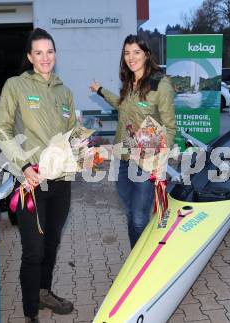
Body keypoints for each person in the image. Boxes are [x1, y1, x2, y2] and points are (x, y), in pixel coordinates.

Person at [0, 28, 75, 323]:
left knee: (52, 243)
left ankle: (44, 292)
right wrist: (25, 166)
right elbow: (0, 130)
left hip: (61, 182)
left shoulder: (65, 91)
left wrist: (84, 148)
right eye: (38, 52)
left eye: (50, 51)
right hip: (31, 181)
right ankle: (30, 312)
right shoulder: (15, 85)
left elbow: (72, 133)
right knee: (34, 250)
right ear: (29, 56)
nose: (45, 57)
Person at [90, 34, 176, 248]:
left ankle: (142, 262)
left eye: (136, 52)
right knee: (132, 212)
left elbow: (170, 127)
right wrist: (100, 91)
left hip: (146, 161)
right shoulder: (129, 82)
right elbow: (121, 105)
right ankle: (139, 252)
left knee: (138, 217)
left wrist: (159, 160)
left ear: (147, 54)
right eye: (127, 53)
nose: (131, 57)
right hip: (123, 158)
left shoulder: (160, 85)